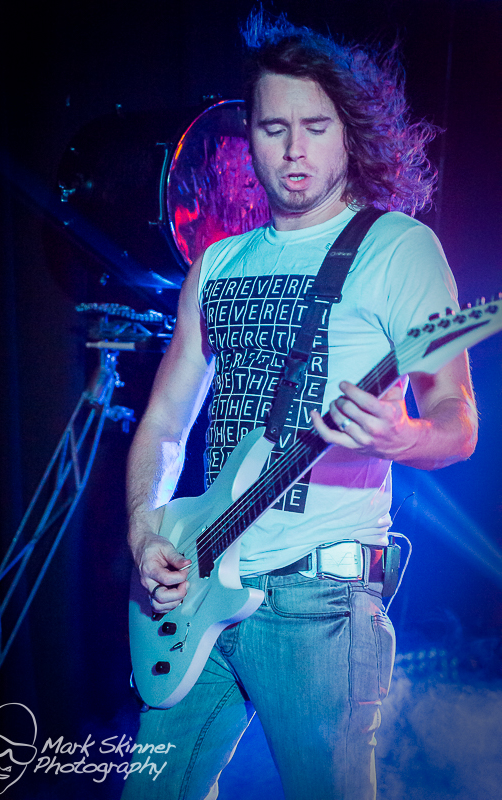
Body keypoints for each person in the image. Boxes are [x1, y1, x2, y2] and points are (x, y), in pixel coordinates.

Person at [123, 13, 478, 800]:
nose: (293, 150)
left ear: (349, 132)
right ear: (246, 134)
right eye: (273, 127)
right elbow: (165, 420)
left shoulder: (397, 248)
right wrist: (145, 529)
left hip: (320, 606)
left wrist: (402, 435)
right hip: (199, 584)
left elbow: (457, 421)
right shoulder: (217, 263)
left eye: (315, 127)